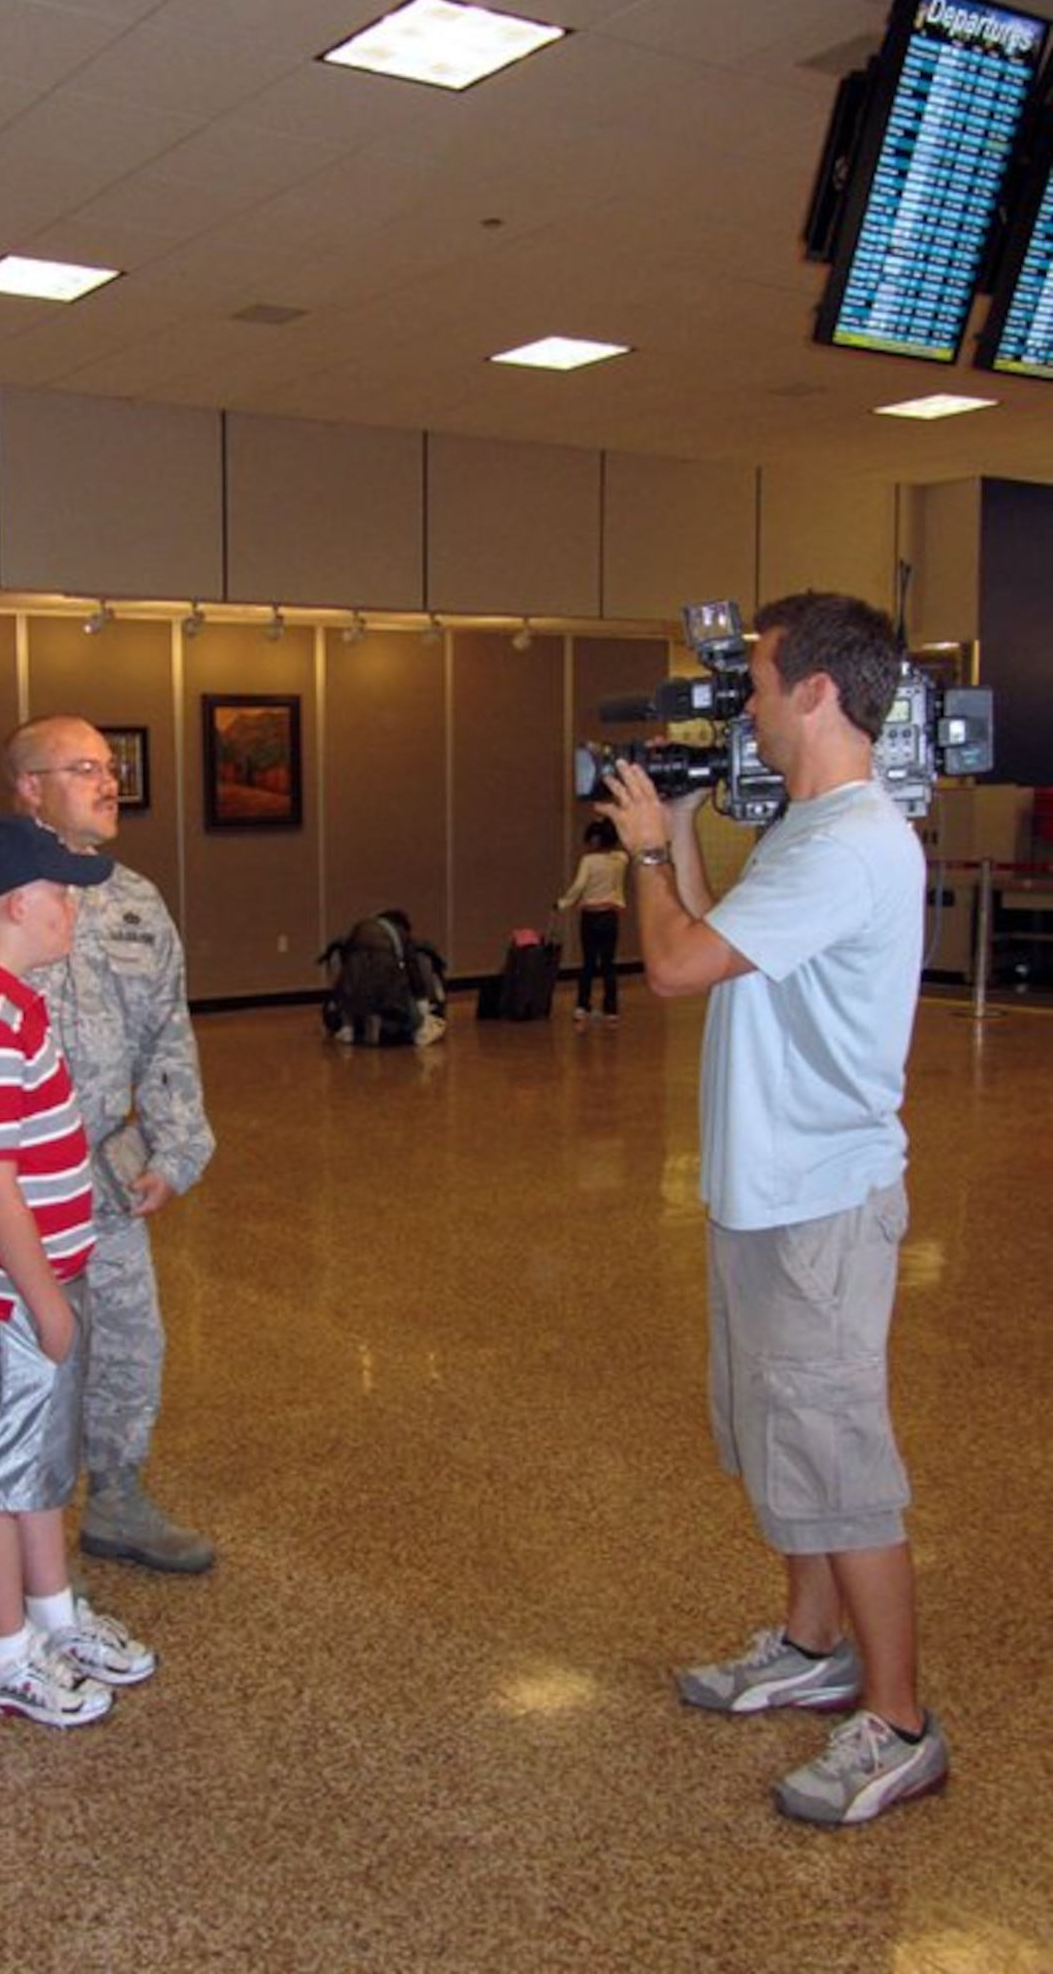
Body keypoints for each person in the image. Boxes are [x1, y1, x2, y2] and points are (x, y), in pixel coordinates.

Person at [600, 590, 948, 1828]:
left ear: (815, 690)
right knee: (778, 1432)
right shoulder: (809, 828)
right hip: (764, 1189)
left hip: (819, 1204)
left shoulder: (852, 843)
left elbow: (672, 964)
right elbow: (718, 941)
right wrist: (687, 823)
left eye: (753, 683)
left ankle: (900, 1720)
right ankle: (812, 1643)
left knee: (839, 1459)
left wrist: (647, 851)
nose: (739, 705)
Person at [0, 714, 216, 1573]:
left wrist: (176, 1150)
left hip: (96, 1174)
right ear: (28, 786)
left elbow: (169, 1033)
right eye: (83, 769)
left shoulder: (133, 898)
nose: (109, 783)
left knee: (126, 1346)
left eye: (110, 768)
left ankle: (116, 1497)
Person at [0, 816, 157, 1729]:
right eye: (61, 894)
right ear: (19, 904)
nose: (72, 908)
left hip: (36, 1282)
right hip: (15, 1292)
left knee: (39, 1468)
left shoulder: (5, 996)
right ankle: (3, 1651)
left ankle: (52, 1616)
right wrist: (44, 1299)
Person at [556, 817, 627, 1026]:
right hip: (611, 915)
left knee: (588, 962)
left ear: (595, 840)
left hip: (591, 916)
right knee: (608, 963)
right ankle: (611, 1009)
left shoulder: (589, 861)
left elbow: (579, 886)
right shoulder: (621, 859)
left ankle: (583, 1005)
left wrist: (562, 903)